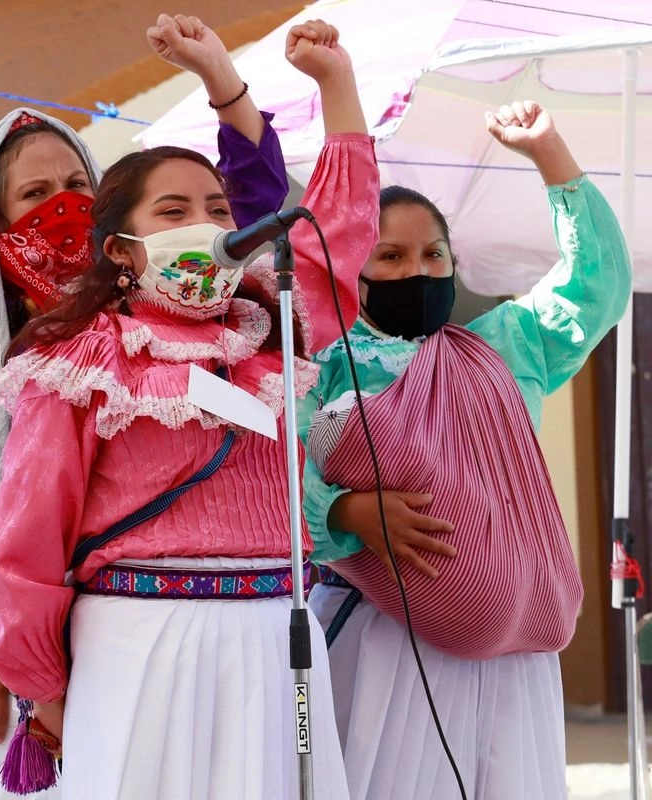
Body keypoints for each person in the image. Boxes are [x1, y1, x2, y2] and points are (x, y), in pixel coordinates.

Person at [0, 15, 290, 797]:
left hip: (130, 623)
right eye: (35, 194)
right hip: (8, 627)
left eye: (77, 187)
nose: (62, 207)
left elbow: (247, 213)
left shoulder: (151, 298)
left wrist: (222, 82)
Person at [0, 20, 377, 799]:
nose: (205, 224)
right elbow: (27, 538)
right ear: (120, 249)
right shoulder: (81, 360)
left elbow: (340, 232)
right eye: (172, 211)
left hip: (276, 635)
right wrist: (43, 686)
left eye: (218, 209)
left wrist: (337, 84)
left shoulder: (272, 334)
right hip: (138, 640)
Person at [301, 101, 631, 799]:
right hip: (383, 635)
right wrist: (345, 512)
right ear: (352, 271)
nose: (417, 270)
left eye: (433, 254)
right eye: (390, 256)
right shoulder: (323, 361)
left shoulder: (509, 344)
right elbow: (275, 475)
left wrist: (550, 155)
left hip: (515, 644)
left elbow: (597, 288)